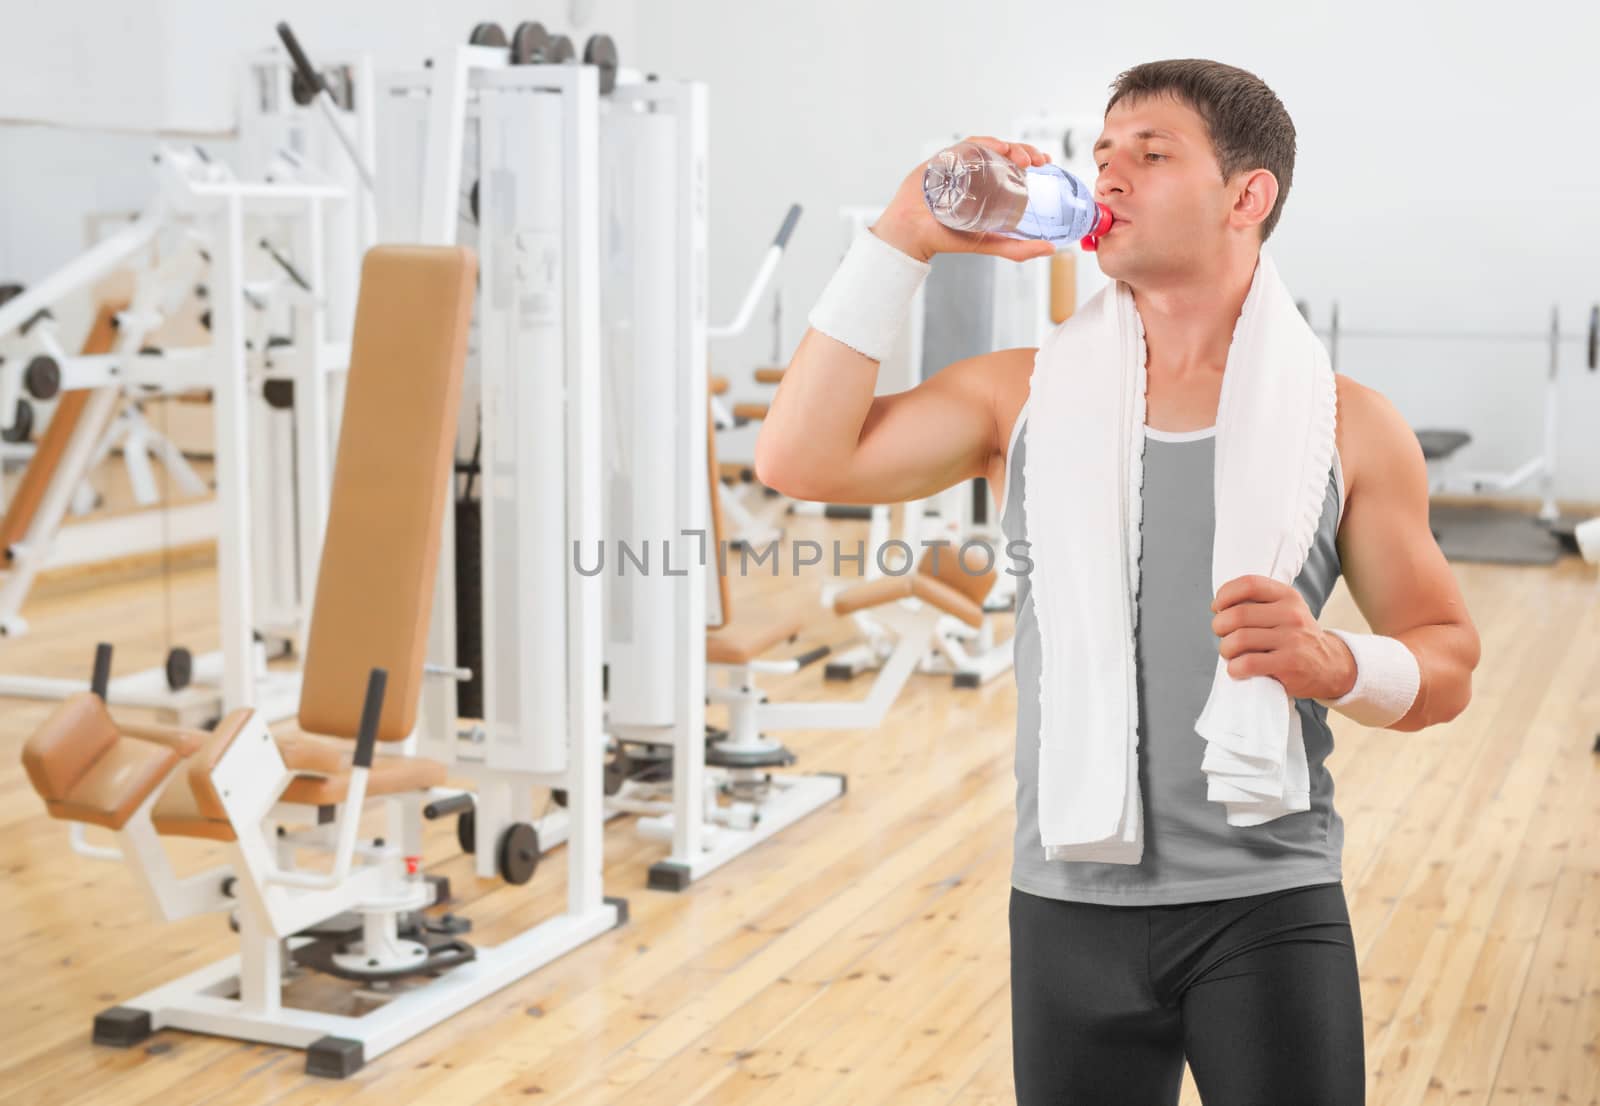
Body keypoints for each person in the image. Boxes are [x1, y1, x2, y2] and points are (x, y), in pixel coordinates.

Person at [755, 58, 1482, 1105]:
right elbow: (797, 459)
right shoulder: (1020, 396)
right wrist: (903, 235)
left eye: (1150, 155)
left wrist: (1335, 659)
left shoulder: (1348, 424)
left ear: (1247, 195)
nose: (1109, 180)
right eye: (1101, 157)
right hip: (1064, 905)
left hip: (1264, 902)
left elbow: (1447, 659)